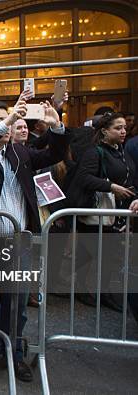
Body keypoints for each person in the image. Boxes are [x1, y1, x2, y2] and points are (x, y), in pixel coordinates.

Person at [0, 93, 69, 385]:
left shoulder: (20, 153)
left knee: (15, 305)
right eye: (0, 121)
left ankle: (12, 355)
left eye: (11, 118)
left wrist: (56, 126)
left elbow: (53, 155)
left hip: (19, 243)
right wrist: (8, 121)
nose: (11, 124)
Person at [66, 112, 136, 310]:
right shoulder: (94, 152)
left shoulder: (121, 150)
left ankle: (94, 289)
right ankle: (90, 290)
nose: (123, 131)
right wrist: (111, 187)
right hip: (96, 212)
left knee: (99, 254)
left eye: (124, 128)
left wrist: (134, 196)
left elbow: (130, 178)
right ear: (104, 131)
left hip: (116, 212)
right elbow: (84, 178)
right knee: (97, 254)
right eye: (117, 128)